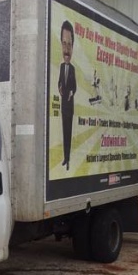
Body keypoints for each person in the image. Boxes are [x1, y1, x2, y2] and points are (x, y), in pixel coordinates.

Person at [58, 20, 76, 171]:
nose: (66, 48)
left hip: (69, 106)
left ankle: (69, 160)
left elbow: (74, 86)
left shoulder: (73, 69)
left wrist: (71, 92)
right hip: (63, 105)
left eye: (69, 44)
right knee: (64, 134)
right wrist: (59, 87)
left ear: (73, 46)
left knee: (69, 134)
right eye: (64, 43)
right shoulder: (61, 67)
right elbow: (59, 82)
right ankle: (65, 158)